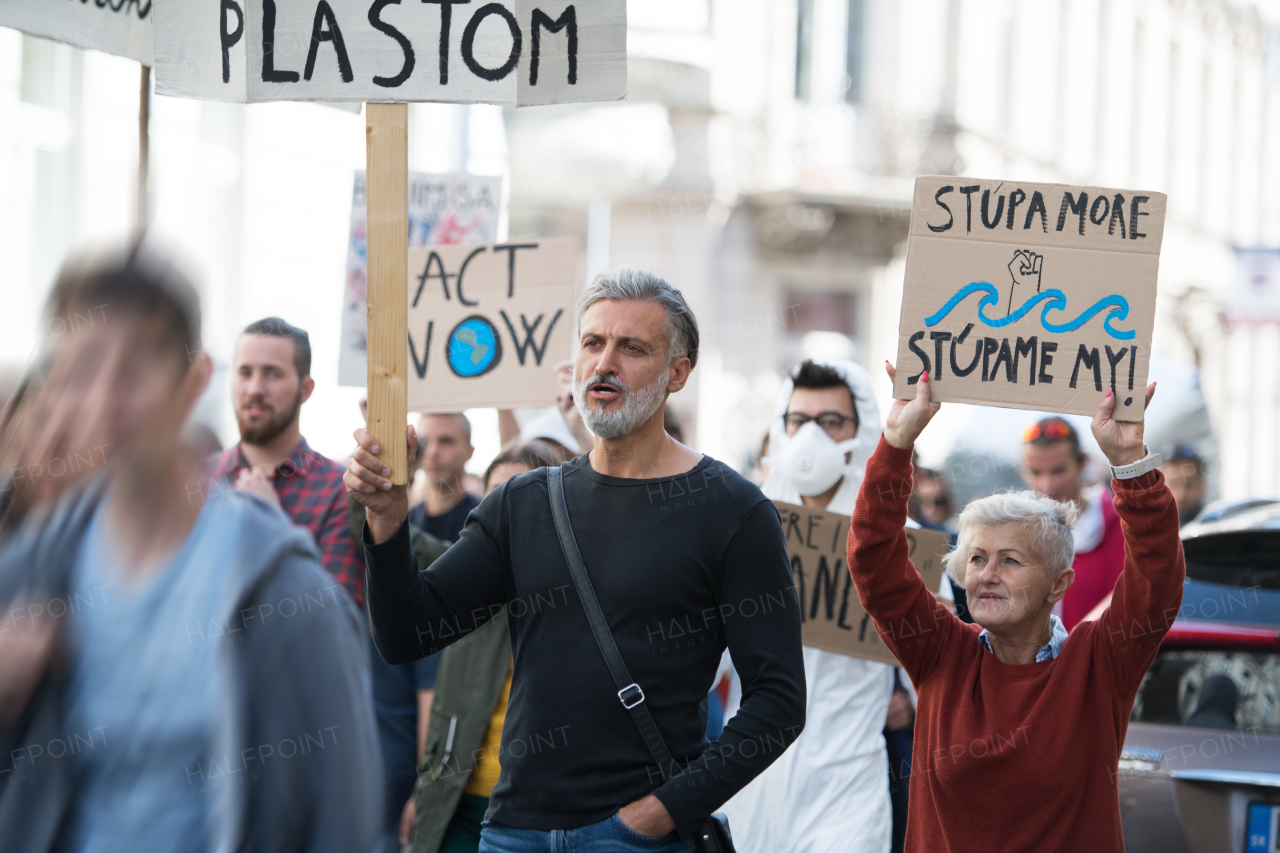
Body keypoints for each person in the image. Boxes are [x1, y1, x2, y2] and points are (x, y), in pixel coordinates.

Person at [348, 268, 806, 852]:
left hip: (637, 840)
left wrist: (662, 813)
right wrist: (386, 522)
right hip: (514, 833)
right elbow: (407, 633)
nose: (603, 363)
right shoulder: (522, 503)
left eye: (631, 347)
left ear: (677, 374)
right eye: (593, 342)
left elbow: (779, 700)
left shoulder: (733, 511)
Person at [0, 244, 381, 853]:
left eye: (133, 371)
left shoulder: (286, 591)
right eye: (82, 369)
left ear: (192, 381)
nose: (103, 401)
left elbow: (345, 819)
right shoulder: (31, 571)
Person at [849, 364, 1182, 852]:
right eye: (978, 558)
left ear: (1057, 584)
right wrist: (896, 444)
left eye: (1011, 561)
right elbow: (874, 562)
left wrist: (1130, 461)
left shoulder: (1097, 666)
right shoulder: (941, 653)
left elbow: (1158, 581)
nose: (987, 574)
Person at [721, 358, 895, 853]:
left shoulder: (898, 549)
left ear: (860, 432)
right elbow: (698, 668)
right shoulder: (739, 536)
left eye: (831, 421)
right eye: (799, 420)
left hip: (847, 793)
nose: (811, 435)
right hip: (748, 782)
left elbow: (936, 674)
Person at [409, 441, 562, 853]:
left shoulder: (579, 600)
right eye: (494, 495)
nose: (503, 510)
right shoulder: (468, 584)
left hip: (541, 817)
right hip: (456, 801)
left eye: (520, 493)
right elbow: (389, 536)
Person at [204, 317, 366, 606]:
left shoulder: (341, 491)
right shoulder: (198, 479)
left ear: (305, 389)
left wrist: (273, 526)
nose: (254, 388)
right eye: (244, 372)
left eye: (272, 374)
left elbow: (334, 620)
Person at [1021, 416, 1124, 630]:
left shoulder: (1121, 524)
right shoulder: (1017, 531)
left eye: (1058, 471)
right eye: (1036, 472)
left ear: (1082, 462)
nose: (1046, 486)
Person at [409, 413, 480, 543]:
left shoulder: (483, 520)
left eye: (446, 441)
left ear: (469, 452)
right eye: (423, 442)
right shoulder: (407, 520)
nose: (432, 452)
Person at [1161, 443, 1206, 525]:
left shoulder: (1217, 525)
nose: (1181, 494)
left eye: (1189, 485)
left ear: (1202, 485)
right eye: (1173, 484)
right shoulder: (1150, 530)